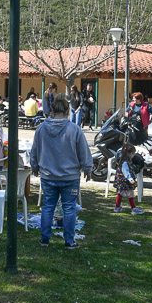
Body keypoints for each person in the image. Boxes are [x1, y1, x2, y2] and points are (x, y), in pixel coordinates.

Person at [30, 94, 93, 249]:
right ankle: (69, 241)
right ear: (67, 112)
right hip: (70, 177)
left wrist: (34, 167)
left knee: (48, 207)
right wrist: (87, 168)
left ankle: (44, 239)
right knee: (69, 208)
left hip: (48, 176)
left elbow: (35, 150)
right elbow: (83, 151)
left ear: (52, 111)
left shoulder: (41, 129)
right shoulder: (74, 129)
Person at [113, 143, 145, 214]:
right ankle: (133, 208)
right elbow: (126, 172)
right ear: (128, 153)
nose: (133, 155)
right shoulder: (125, 163)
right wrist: (130, 179)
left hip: (121, 182)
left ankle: (117, 207)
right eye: (132, 153)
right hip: (126, 182)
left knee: (120, 194)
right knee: (130, 195)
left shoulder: (123, 161)